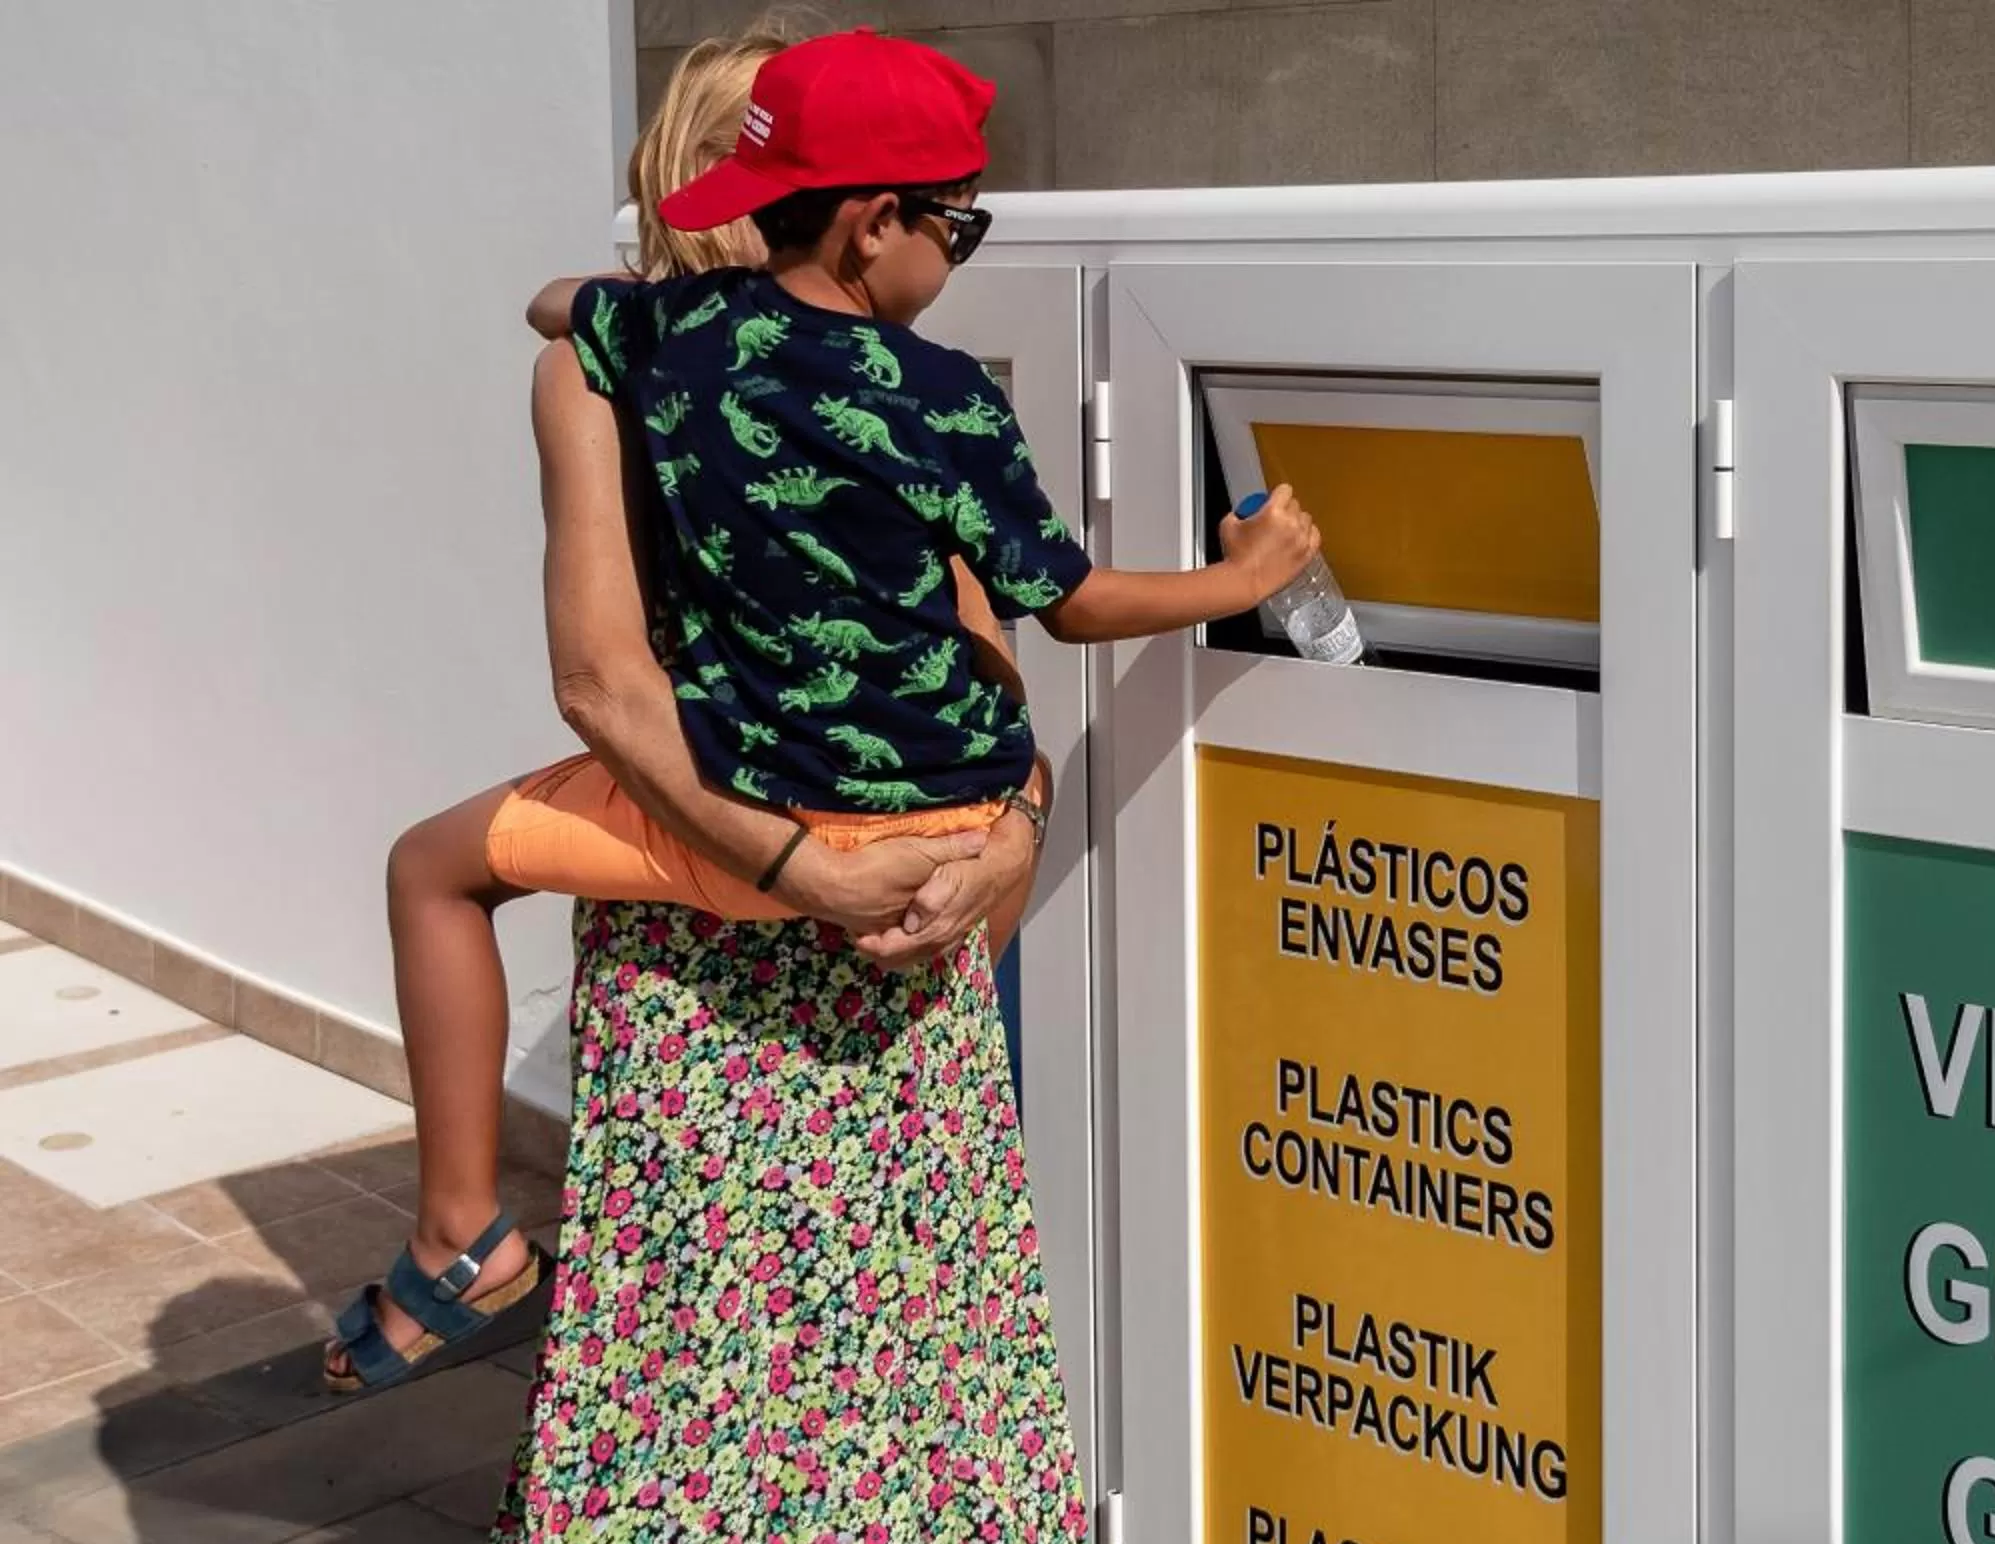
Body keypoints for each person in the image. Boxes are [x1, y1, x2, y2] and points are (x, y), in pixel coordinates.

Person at [324, 27, 1319, 1394]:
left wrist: (597, 295)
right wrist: (1241, 575)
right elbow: (1064, 605)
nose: (961, 259)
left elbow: (561, 331)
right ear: (872, 227)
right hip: (943, 831)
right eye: (960, 228)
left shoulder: (650, 346)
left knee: (430, 870)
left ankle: (458, 1228)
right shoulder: (947, 397)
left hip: (728, 832)